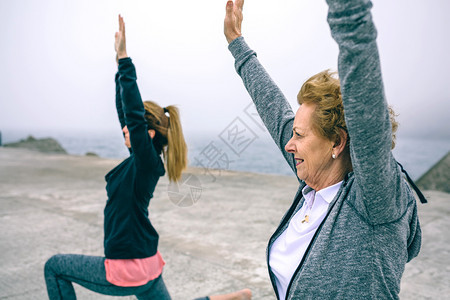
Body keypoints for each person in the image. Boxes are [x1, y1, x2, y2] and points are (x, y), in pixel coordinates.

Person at [224, 0, 426, 299]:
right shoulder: (316, 181)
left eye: (299, 135)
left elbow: (365, 101)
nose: (289, 145)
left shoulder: (375, 199)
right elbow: (273, 108)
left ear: (337, 142)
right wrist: (236, 43)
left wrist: (349, 12)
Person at [44, 15, 251, 300]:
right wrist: (118, 64)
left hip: (127, 267)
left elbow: (131, 112)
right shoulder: (145, 163)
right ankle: (226, 299)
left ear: (149, 133)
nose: (125, 130)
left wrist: (126, 60)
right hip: (146, 261)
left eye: (133, 127)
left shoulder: (145, 162)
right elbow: (124, 112)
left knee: (54, 267)